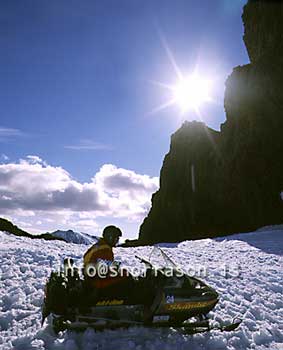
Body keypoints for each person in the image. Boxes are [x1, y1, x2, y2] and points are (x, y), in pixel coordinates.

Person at [83, 225, 132, 295]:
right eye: (116, 238)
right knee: (126, 275)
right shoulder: (105, 249)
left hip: (91, 279)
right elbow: (105, 271)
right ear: (110, 237)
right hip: (97, 283)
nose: (117, 240)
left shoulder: (98, 245)